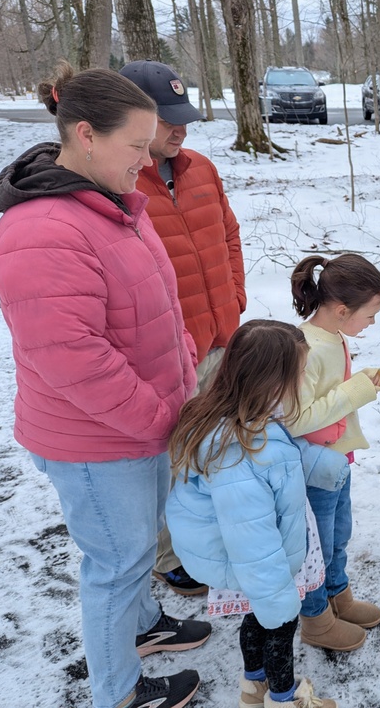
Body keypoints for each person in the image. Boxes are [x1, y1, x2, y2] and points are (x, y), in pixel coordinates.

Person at [0, 62, 211, 708]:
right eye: (137, 146)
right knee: (116, 565)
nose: (147, 162)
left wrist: (186, 366)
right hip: (95, 440)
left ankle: (146, 627)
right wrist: (160, 417)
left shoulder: (109, 201)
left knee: (137, 548)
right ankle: (120, 691)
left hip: (138, 422)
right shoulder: (41, 230)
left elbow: (156, 308)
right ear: (86, 133)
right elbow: (74, 359)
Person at [165, 319, 345, 708]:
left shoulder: (244, 416)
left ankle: (254, 687)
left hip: (251, 557)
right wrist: (277, 596)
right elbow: (252, 538)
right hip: (258, 563)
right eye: (299, 374)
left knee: (255, 619)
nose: (302, 382)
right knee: (278, 626)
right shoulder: (238, 453)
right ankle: (283, 700)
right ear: (273, 380)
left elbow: (278, 458)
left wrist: (317, 464)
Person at [120, 59, 247, 597]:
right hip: (172, 350)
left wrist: (235, 299)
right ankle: (172, 555)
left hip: (221, 337)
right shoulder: (120, 183)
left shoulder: (201, 168)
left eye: (183, 116)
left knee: (218, 447)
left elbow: (230, 236)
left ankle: (212, 533)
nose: (181, 129)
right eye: (167, 119)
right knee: (172, 456)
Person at [287, 255, 380, 652]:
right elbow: (298, 418)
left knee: (339, 535)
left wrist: (360, 382)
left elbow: (331, 397)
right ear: (343, 309)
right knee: (317, 546)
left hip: (336, 461)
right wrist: (354, 390)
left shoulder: (333, 338)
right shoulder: (306, 348)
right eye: (370, 315)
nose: (372, 323)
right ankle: (316, 618)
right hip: (314, 469)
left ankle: (338, 596)